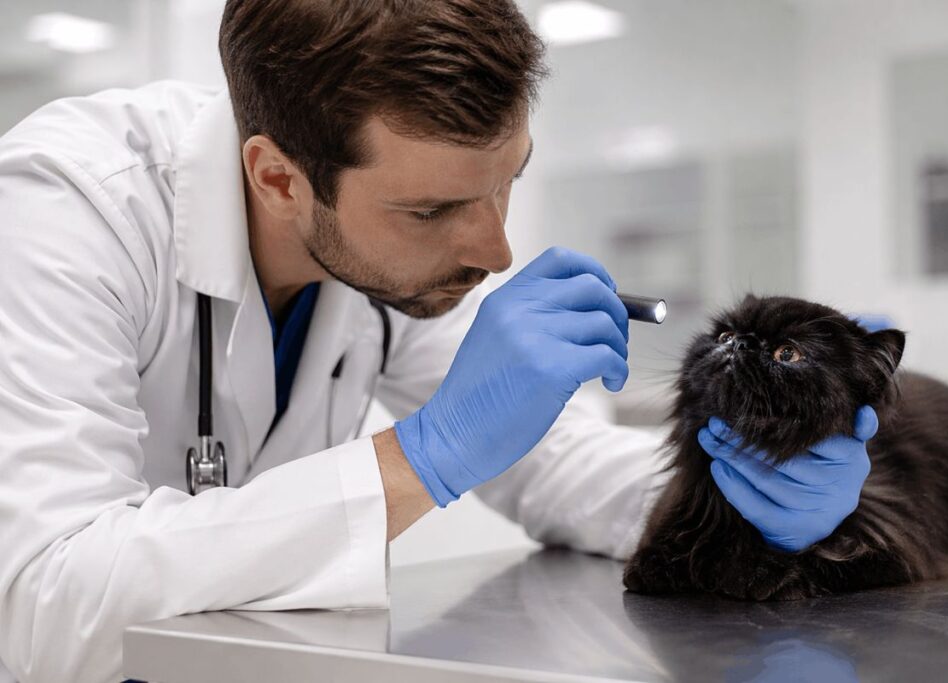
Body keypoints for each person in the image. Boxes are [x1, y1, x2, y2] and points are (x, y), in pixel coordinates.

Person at [0, 1, 873, 681]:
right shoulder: (67, 211)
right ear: (278, 178)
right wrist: (421, 458)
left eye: (506, 185)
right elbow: (45, 614)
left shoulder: (394, 260)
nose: (493, 251)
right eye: (432, 211)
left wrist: (741, 497)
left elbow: (557, 466)